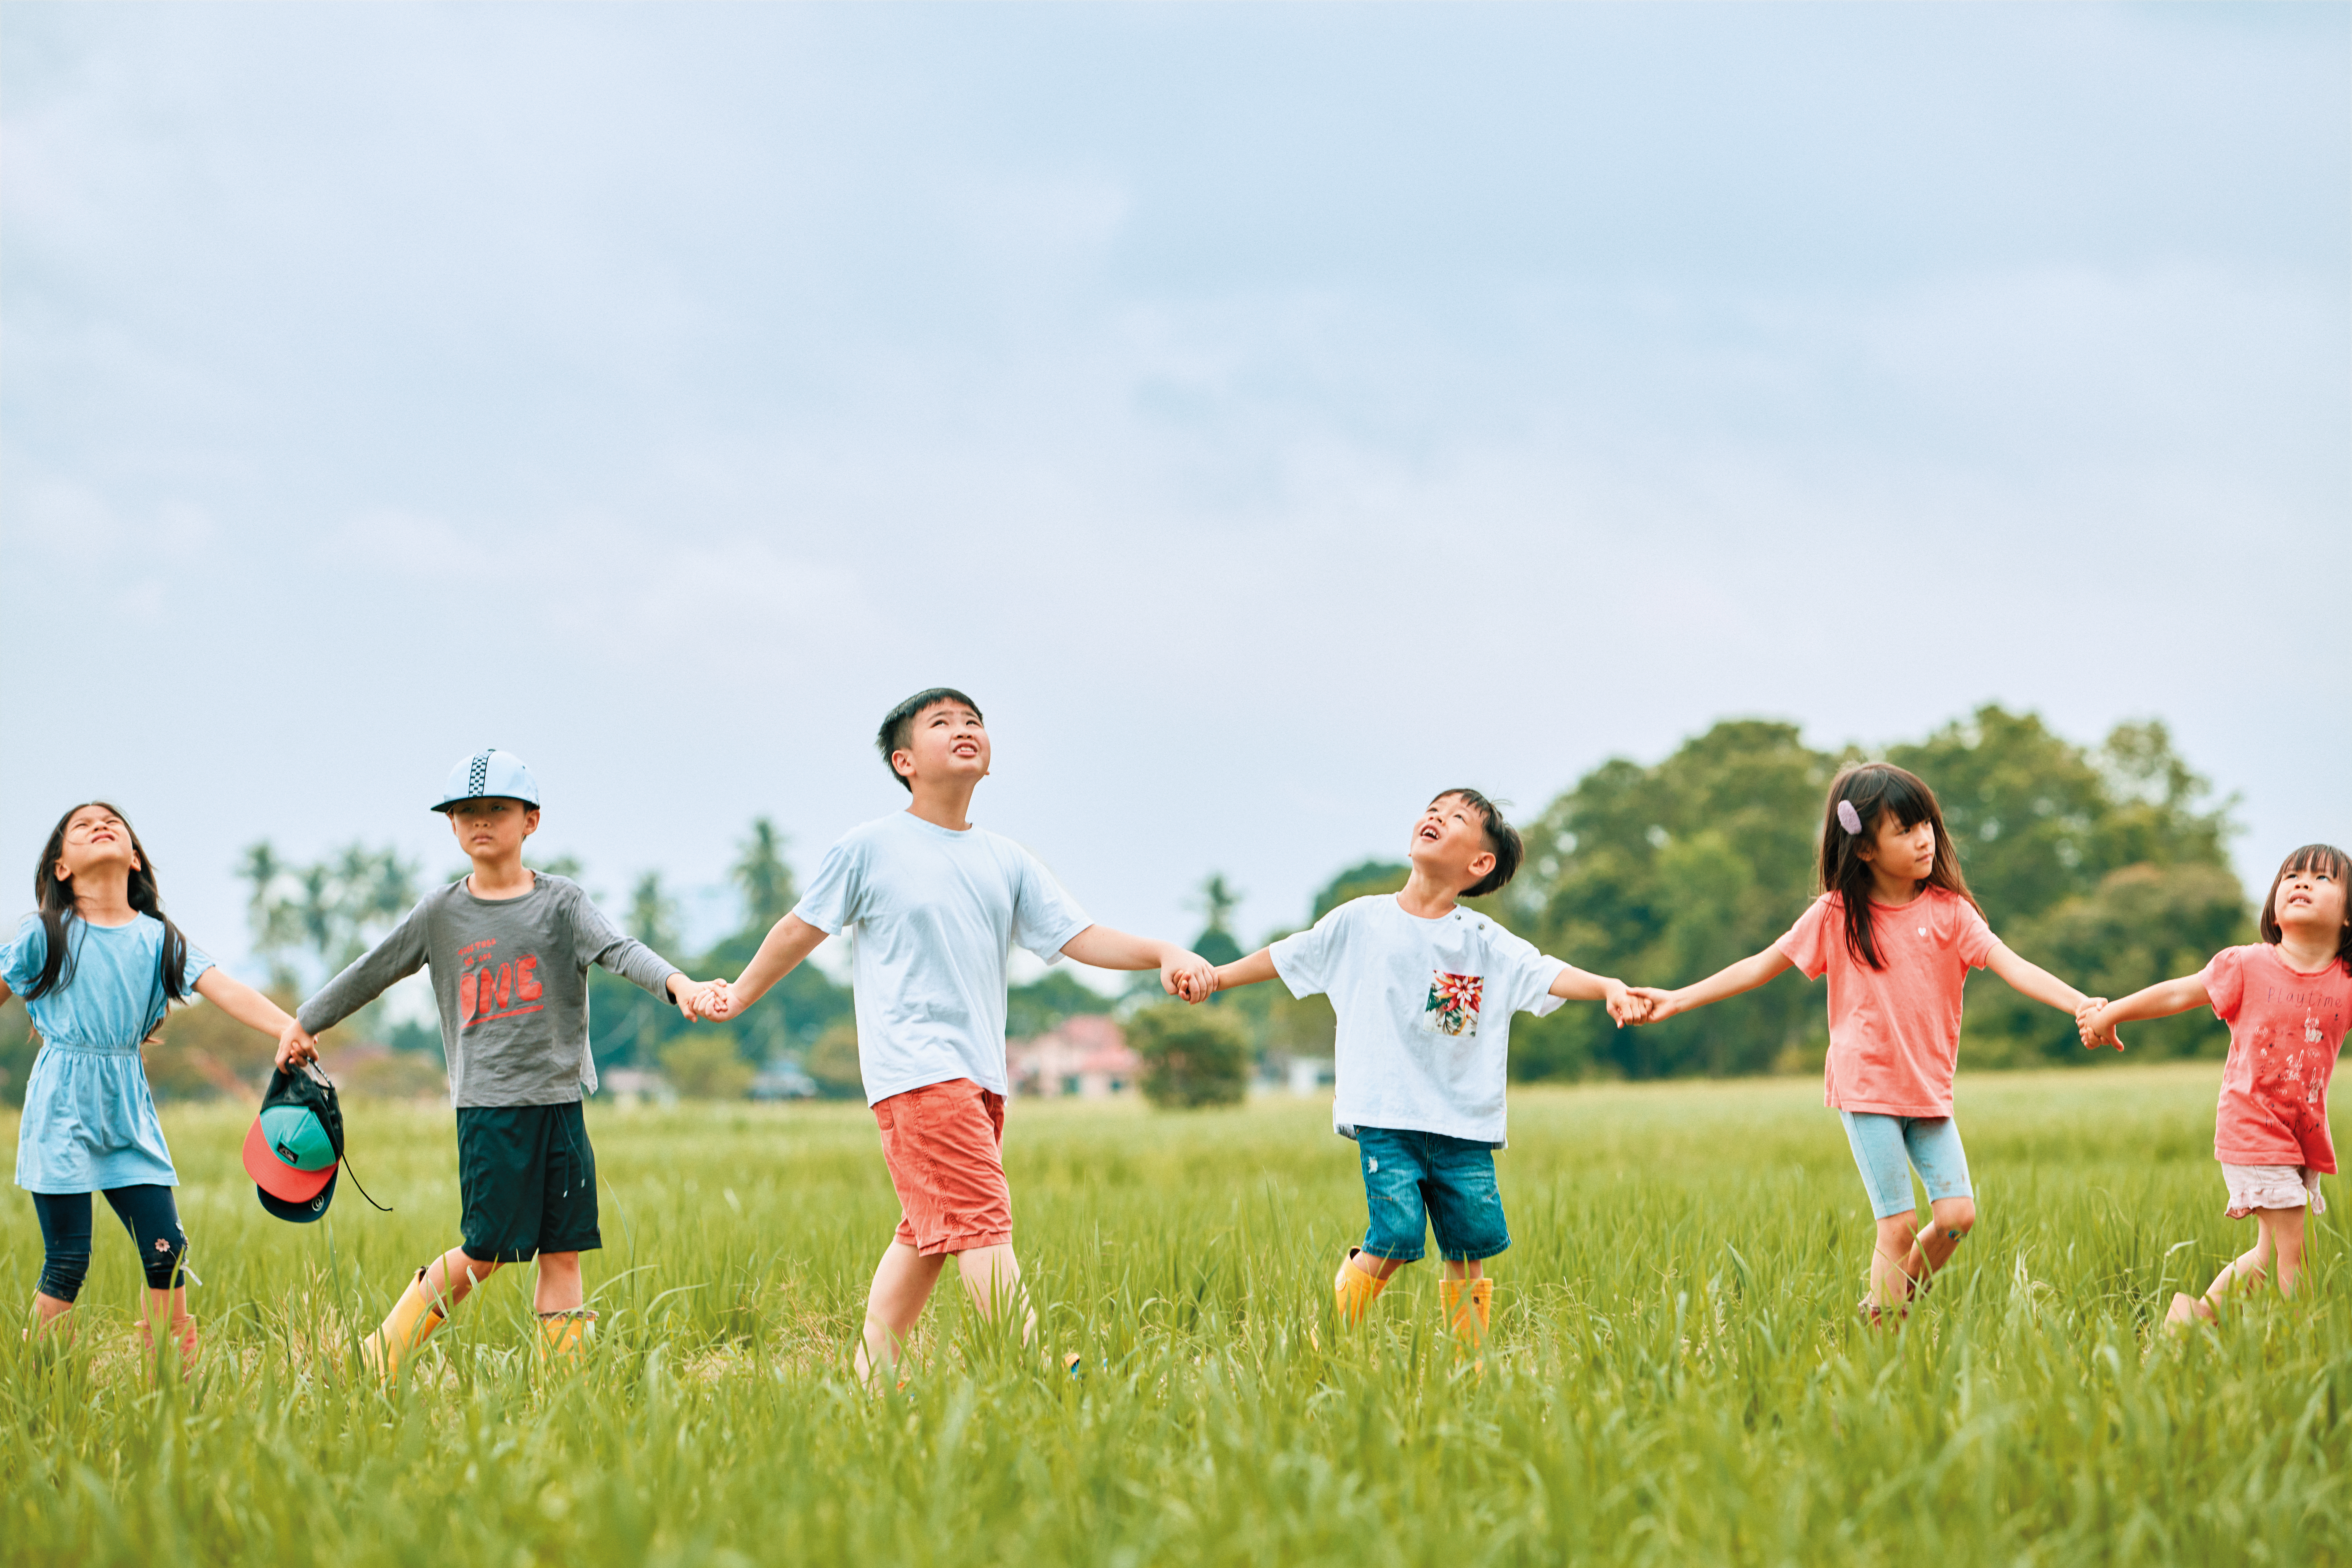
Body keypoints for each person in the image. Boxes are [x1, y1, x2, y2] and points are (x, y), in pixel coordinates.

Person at [701, 688, 1215, 1384]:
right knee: (979, 1217)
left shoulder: (1006, 860)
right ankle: (1037, 1368)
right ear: (904, 761)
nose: (963, 729)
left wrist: (1162, 952)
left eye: (973, 721)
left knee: (929, 1233)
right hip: (919, 1074)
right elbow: (800, 928)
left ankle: (869, 1384)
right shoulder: (870, 848)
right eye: (941, 723)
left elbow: (1078, 936)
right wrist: (739, 993)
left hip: (979, 1078)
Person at [282, 748, 714, 1378]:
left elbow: (621, 951)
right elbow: (374, 970)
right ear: (452, 825)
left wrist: (681, 985)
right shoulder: (440, 913)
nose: (480, 821)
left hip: (559, 1104)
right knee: (484, 1252)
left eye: (496, 809)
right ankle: (378, 1356)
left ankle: (562, 1385)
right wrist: (306, 1021)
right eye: (466, 812)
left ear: (531, 820)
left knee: (563, 1249)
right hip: (490, 1108)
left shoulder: (563, 903)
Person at [1629, 763, 2105, 1321]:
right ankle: (1885, 1339)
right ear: (1864, 848)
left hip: (1927, 1090)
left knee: (1956, 1217)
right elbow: (1759, 967)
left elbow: (2013, 965)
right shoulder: (1837, 914)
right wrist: (1677, 999)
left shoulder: (1951, 913)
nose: (1924, 839)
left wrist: (2080, 1002)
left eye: (1926, 824)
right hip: (1867, 1086)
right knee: (1898, 1225)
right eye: (1904, 830)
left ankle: (1883, 1310)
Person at [1202, 789, 1643, 1356]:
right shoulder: (1362, 920)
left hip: (1463, 1127)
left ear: (1479, 863)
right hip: (1386, 1117)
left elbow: (1546, 973)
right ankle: (1326, 1338)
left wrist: (1608, 987)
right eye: (1433, 809)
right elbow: (1288, 955)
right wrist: (1217, 978)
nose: (1435, 817)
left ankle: (1468, 1363)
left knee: (1469, 1247)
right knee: (1396, 1234)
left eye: (1456, 817)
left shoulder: (1483, 942)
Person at [3, 802, 304, 1371]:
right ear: (62, 867)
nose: (100, 825)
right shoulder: (46, 934)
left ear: (135, 858)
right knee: (68, 1262)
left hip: (128, 1111)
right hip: (61, 1107)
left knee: (167, 1250)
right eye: (82, 826)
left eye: (112, 822)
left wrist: (290, 1026)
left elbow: (227, 989)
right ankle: (33, 1379)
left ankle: (172, 1382)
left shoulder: (158, 938)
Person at [2079, 843, 2350, 1326]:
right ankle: (2298, 1345)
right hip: (2254, 1128)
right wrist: (2111, 1013)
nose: (2302, 882)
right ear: (2274, 908)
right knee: (2296, 1256)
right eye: (2292, 876)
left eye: (2323, 878)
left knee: (2269, 1255)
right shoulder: (2247, 965)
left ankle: (2190, 1322)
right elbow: (2177, 993)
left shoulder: (2345, 982)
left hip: (2301, 1136)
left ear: (2349, 915)